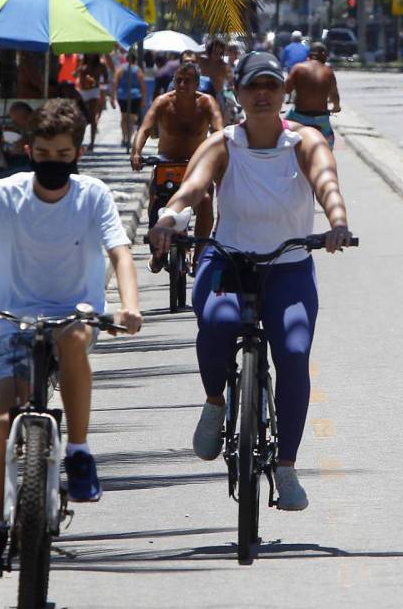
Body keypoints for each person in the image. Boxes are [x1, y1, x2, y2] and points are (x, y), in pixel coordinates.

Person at [0, 99, 143, 584]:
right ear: (29, 150)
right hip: (13, 320)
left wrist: (130, 305)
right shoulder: (8, 192)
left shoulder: (93, 195)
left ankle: (78, 449)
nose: (54, 161)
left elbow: (120, 253)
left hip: (75, 314)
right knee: (1, 419)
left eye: (64, 152)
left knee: (74, 338)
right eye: (45, 152)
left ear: (78, 153)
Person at [147, 51, 353, 511]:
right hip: (228, 260)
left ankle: (286, 466)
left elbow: (327, 185)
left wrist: (336, 222)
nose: (262, 95)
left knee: (295, 352)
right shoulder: (223, 143)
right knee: (217, 323)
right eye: (253, 87)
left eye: (272, 87)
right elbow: (192, 188)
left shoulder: (306, 141)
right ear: (237, 94)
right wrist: (170, 218)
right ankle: (216, 400)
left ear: (285, 94)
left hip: (289, 265)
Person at [130, 61, 223, 257]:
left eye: (187, 81)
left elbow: (218, 131)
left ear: (197, 84)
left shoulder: (207, 103)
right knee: (156, 201)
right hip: (167, 164)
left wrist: (220, 156)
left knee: (205, 200)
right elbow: (145, 128)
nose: (182, 85)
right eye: (178, 80)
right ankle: (156, 252)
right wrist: (136, 152)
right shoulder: (163, 102)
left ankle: (198, 254)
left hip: (197, 165)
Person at [284, 42, 341, 148]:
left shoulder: (298, 68)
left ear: (308, 55)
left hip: (298, 117)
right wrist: (336, 107)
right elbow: (334, 95)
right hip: (321, 119)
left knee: (282, 135)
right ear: (324, 56)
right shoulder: (328, 72)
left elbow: (286, 89)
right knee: (328, 144)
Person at [75, 54, 109, 151]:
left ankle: (92, 143)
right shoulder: (82, 62)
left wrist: (97, 82)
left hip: (94, 91)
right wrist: (79, 70)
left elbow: (106, 80)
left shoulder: (101, 64)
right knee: (81, 117)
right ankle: (80, 141)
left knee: (92, 116)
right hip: (83, 91)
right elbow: (75, 75)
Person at [113, 56, 147, 151]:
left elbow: (115, 81)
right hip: (135, 96)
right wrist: (144, 99)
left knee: (124, 118)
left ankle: (124, 137)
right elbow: (142, 84)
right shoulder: (138, 70)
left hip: (122, 95)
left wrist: (113, 96)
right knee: (132, 119)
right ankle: (129, 139)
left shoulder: (121, 69)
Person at [1, 101, 35, 171]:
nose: (13, 123)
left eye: (15, 120)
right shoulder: (25, 128)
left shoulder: (38, 129)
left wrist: (21, 150)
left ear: (27, 116)